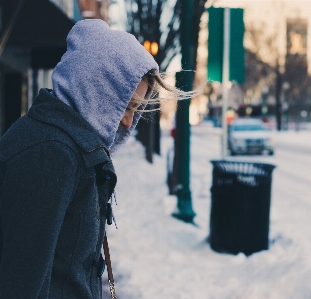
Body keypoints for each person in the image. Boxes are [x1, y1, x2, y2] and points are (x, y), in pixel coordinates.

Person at [0, 19, 194, 298]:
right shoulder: (51, 152)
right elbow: (20, 284)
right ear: (96, 92)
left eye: (135, 110)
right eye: (125, 107)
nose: (129, 122)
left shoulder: (66, 147)